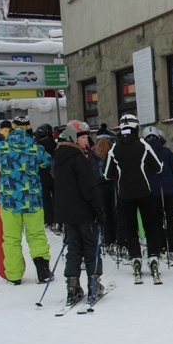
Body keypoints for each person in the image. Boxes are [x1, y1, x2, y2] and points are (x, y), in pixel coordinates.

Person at [0, 115, 53, 285]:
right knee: (37, 235)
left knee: (11, 238)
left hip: (9, 202)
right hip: (33, 201)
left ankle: (14, 275)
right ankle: (43, 271)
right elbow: (47, 161)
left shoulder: (1, 146)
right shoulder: (34, 148)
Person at [104, 114, 163, 282]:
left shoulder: (114, 149)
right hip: (145, 192)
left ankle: (135, 257)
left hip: (125, 194)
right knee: (149, 225)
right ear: (137, 128)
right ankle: (153, 256)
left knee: (131, 228)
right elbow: (158, 167)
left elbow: (107, 175)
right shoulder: (143, 145)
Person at [53, 120, 105, 304]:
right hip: (84, 212)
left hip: (68, 214)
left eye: (86, 137)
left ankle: (72, 286)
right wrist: (99, 210)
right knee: (91, 247)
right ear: (72, 138)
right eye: (82, 137)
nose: (86, 141)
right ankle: (93, 283)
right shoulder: (79, 159)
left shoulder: (59, 159)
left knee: (74, 248)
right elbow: (88, 188)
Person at [142, 126, 173, 266]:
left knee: (156, 220)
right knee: (172, 219)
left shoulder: (144, 154)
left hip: (153, 192)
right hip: (169, 190)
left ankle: (161, 247)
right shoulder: (166, 151)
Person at [92, 124, 120, 251]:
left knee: (105, 213)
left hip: (99, 185)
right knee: (115, 211)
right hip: (112, 183)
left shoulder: (93, 152)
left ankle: (107, 239)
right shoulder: (112, 150)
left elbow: (91, 170)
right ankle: (118, 238)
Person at [34, 123, 58, 234]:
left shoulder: (36, 148)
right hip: (55, 175)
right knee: (58, 198)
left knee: (45, 200)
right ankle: (59, 220)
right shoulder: (56, 145)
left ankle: (49, 220)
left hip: (41, 176)